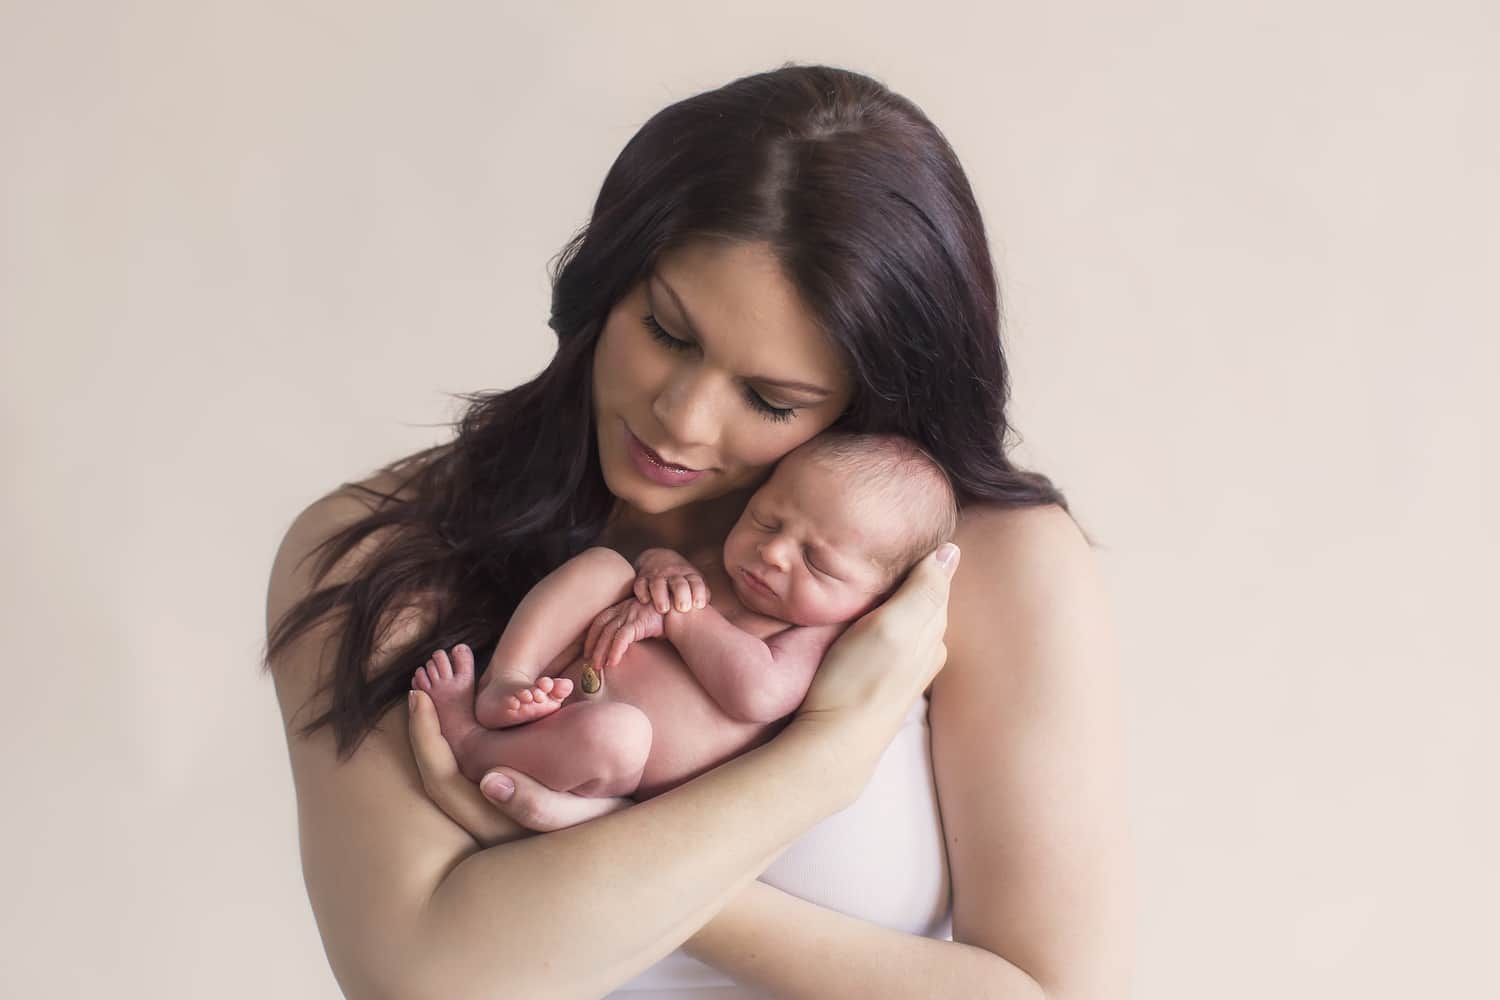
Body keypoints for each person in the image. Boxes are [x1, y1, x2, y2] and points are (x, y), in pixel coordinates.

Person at [264, 64, 1132, 999]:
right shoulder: (382, 554)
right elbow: (425, 981)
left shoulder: (979, 568)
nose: (681, 419)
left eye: (769, 398)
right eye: (668, 332)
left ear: (867, 397)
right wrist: (823, 759)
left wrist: (589, 838)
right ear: (607, 281)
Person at [413, 432, 959, 802]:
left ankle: (473, 746)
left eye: (816, 562)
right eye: (766, 521)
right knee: (606, 567)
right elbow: (655, 572)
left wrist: (681, 619)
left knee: (616, 736)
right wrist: (662, 567)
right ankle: (509, 676)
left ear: (875, 598)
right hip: (564, 676)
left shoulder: (817, 633)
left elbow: (759, 694)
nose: (773, 554)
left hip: (616, 759)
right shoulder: (731, 566)